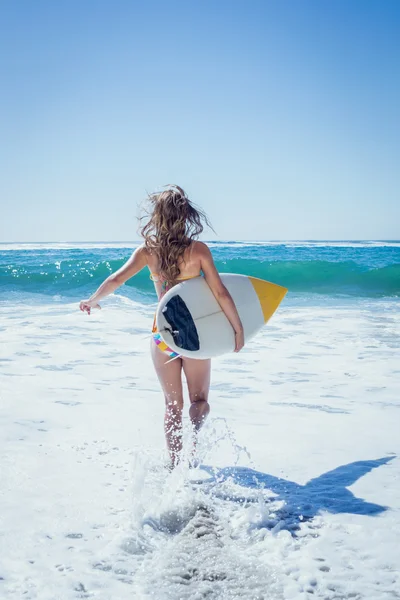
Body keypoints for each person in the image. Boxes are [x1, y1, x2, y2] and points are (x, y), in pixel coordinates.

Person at [79, 185, 244, 468]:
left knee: (172, 405)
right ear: (185, 216)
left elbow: (117, 280)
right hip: (195, 334)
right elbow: (220, 293)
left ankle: (173, 466)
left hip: (162, 334)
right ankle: (191, 449)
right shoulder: (198, 250)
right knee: (199, 401)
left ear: (158, 217)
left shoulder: (147, 251)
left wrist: (93, 300)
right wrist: (238, 329)